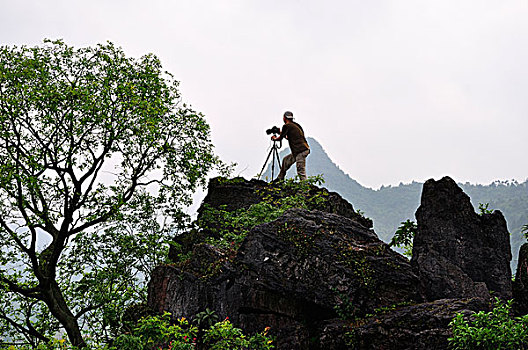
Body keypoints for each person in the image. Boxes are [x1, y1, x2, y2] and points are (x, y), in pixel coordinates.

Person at [271, 111, 310, 181]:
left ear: (284, 118)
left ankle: (305, 187)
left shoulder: (287, 126)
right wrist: (280, 132)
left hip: (300, 151)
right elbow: (289, 137)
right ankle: (280, 178)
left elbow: (280, 138)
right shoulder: (296, 125)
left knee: (300, 170)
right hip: (300, 150)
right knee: (285, 160)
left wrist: (274, 138)